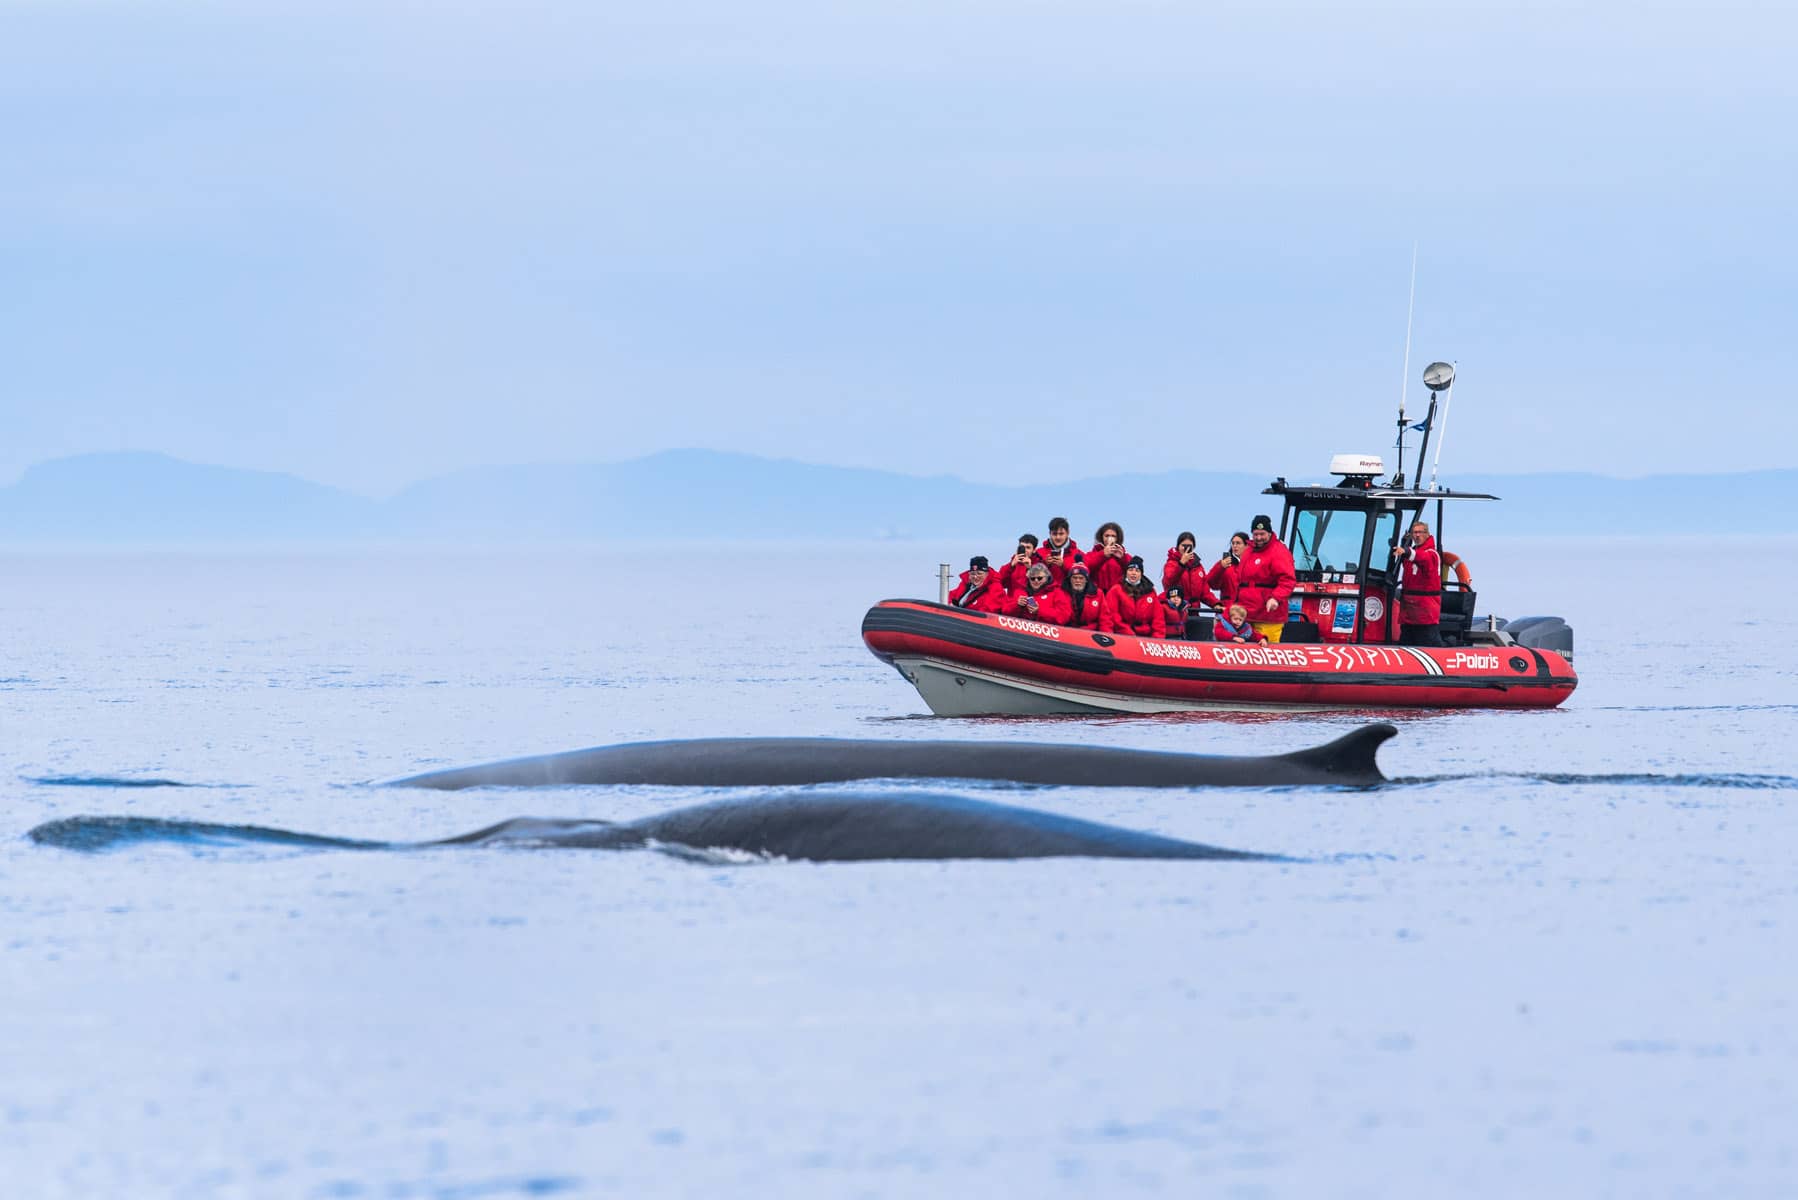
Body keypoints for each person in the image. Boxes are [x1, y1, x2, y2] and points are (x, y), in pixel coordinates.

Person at [1236, 515, 1296, 642]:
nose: (1258, 538)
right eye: (1255, 534)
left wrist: (1275, 598)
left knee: (1266, 653)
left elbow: (1288, 580)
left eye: (1262, 534)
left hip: (1268, 616)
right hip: (1245, 615)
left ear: (1269, 533)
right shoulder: (1248, 552)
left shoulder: (1279, 551)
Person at [1392, 519, 1444, 645]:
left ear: (1427, 534)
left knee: (1428, 643)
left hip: (1425, 614)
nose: (1417, 535)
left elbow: (1423, 558)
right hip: (1409, 613)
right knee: (1406, 642)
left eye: (1420, 532)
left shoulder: (1432, 554)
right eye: (1414, 533)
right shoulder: (1411, 555)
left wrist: (1406, 551)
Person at [1101, 556, 1166, 638]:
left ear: (1141, 574)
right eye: (1130, 570)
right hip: (1123, 636)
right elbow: (1113, 616)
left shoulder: (1150, 592)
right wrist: (1129, 634)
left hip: (1146, 637)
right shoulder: (1116, 590)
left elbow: (1158, 619)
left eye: (1137, 571)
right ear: (1126, 572)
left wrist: (1157, 639)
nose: (1133, 573)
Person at [1161, 532, 1218, 610]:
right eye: (1183, 546)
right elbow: (1168, 582)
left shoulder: (1198, 567)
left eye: (1189, 546)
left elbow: (1205, 592)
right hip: (1177, 611)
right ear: (1178, 546)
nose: (1186, 548)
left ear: (1193, 547)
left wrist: (1216, 604)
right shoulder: (1171, 564)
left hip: (1194, 611)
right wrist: (1181, 564)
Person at [1206, 531, 1249, 611]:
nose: (1235, 546)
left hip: (1246, 610)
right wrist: (1220, 568)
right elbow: (1211, 584)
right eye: (1233, 543)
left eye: (1238, 543)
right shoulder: (1223, 564)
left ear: (1246, 545)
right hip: (1227, 609)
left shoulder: (1253, 565)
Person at [1083, 522, 1131, 593]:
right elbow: (1087, 567)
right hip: (1097, 595)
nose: (1110, 538)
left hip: (1117, 594)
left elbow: (1132, 571)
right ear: (1101, 537)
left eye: (1113, 536)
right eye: (1107, 536)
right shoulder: (1092, 554)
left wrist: (1122, 559)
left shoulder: (1124, 556)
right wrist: (1103, 555)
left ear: (1118, 538)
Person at [1036, 517, 1081, 583]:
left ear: (1068, 533)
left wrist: (1064, 565)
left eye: (1061, 534)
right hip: (1046, 592)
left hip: (1068, 592)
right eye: (1054, 534)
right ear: (1050, 533)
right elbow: (1031, 575)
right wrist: (1045, 564)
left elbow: (1082, 576)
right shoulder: (1039, 553)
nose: (1058, 537)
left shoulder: (1078, 554)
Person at [1061, 563, 1103, 628]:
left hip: (1090, 632)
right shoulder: (1061, 592)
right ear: (1070, 579)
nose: (1078, 580)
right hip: (1067, 631)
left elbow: (1104, 618)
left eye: (1081, 578)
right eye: (1075, 578)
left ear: (1086, 580)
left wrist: (1106, 635)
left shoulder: (1098, 594)